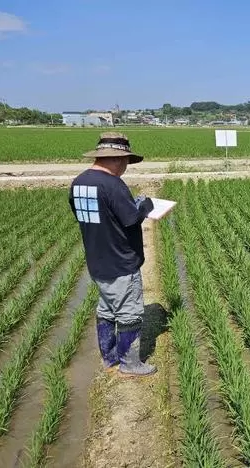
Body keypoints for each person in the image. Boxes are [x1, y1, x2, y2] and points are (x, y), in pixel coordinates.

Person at [69, 132, 156, 377]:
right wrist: (145, 206)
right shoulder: (112, 184)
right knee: (130, 313)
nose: (126, 166)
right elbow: (130, 219)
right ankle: (130, 364)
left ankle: (109, 357)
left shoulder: (80, 182)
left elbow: (88, 215)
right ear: (118, 159)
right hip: (120, 261)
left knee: (107, 309)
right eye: (127, 161)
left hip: (97, 259)